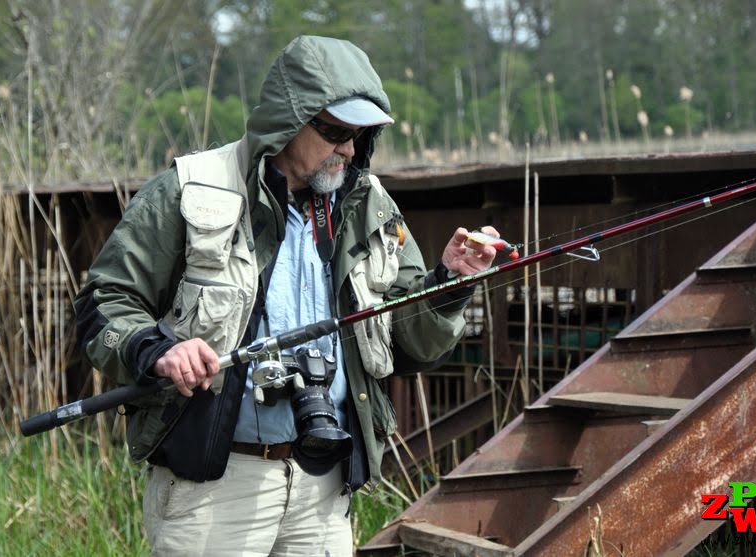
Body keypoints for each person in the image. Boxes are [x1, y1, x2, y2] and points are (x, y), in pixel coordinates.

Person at [75, 35, 499, 556]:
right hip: (215, 485)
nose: (348, 148)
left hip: (323, 485)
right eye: (336, 131)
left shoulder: (370, 206)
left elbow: (410, 345)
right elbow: (105, 301)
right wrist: (159, 352)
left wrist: (448, 282)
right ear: (289, 118)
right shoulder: (192, 188)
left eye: (359, 135)